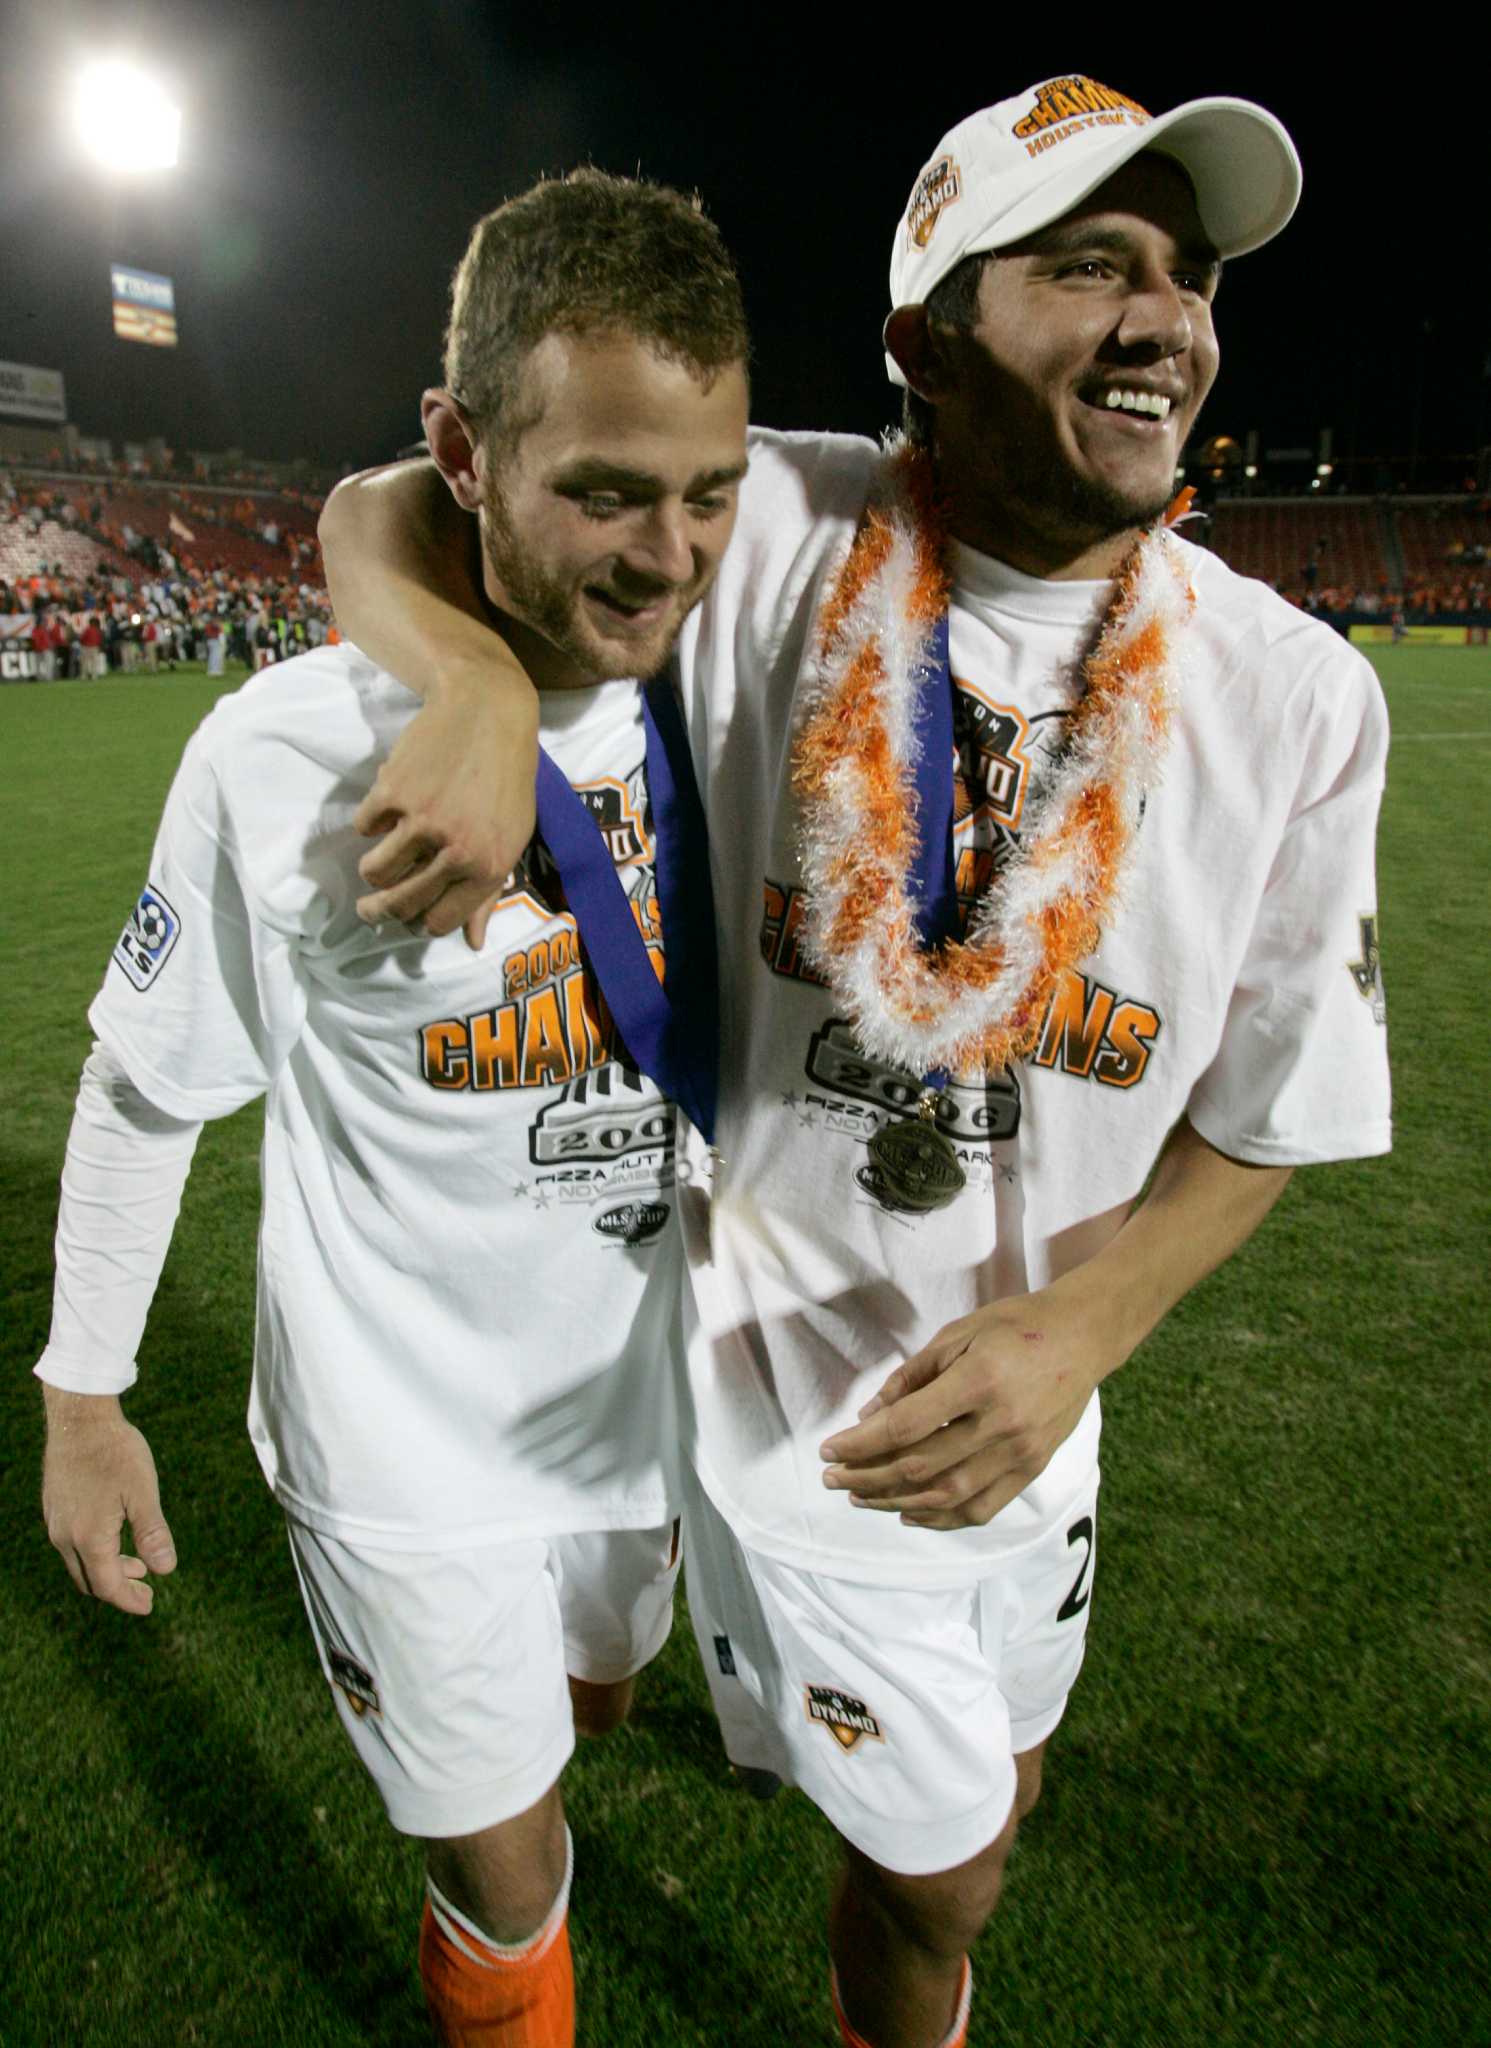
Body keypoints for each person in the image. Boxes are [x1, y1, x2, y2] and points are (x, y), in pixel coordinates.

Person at [319, 76, 1392, 2048]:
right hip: (797, 1393)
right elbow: (395, 499)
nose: (1163, 318)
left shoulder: (1297, 697)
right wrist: (472, 678)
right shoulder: (781, 526)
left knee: (999, 1790)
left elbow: (1269, 1111)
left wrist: (1083, 1329)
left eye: (1188, 274)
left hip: (1040, 1413)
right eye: (1085, 267)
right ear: (922, 339)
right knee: (940, 1854)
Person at [36, 169, 751, 2048]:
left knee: (590, 1707)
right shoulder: (281, 754)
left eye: (708, 493)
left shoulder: (736, 689)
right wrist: (85, 1398)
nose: (669, 556)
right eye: (600, 491)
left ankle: (562, 1725)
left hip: (639, 1406)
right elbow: (144, 1082)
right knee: (503, 1873)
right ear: (463, 450)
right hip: (398, 1435)